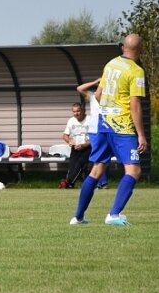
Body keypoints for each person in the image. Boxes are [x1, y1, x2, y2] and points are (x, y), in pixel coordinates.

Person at [71, 34, 148, 226]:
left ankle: (78, 217)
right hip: (122, 126)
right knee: (133, 169)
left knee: (97, 169)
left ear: (123, 48)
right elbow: (135, 104)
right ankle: (114, 214)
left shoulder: (111, 64)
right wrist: (140, 134)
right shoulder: (136, 71)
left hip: (103, 125)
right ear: (141, 50)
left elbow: (97, 95)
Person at [76, 78, 108, 189]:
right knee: (98, 156)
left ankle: (100, 182)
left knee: (103, 155)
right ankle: (100, 182)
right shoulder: (92, 96)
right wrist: (96, 81)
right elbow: (79, 88)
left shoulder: (110, 96)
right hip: (95, 129)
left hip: (107, 127)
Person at [58, 102, 90, 189]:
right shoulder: (71, 120)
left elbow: (96, 138)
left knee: (80, 165)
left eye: (78, 111)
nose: (76, 113)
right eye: (74, 111)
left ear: (83, 110)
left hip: (87, 147)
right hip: (75, 147)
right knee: (72, 166)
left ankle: (67, 182)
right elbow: (65, 136)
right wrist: (69, 141)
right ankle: (70, 184)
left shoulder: (90, 120)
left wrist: (84, 145)